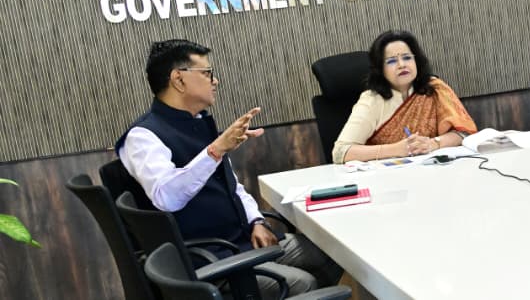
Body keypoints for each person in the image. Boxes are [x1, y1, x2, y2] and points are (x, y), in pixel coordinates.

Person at [116, 40, 338, 297]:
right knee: (303, 283)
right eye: (207, 73)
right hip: (210, 259)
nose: (215, 81)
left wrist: (256, 220)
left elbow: (233, 187)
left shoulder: (198, 122)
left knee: (333, 250)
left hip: (242, 241)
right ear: (179, 79)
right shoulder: (143, 136)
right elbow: (167, 197)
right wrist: (215, 150)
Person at [332, 30, 478, 163]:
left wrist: (433, 143)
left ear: (416, 61)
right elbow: (340, 152)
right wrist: (397, 149)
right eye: (391, 61)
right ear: (380, 69)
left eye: (407, 58)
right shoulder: (372, 100)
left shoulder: (435, 88)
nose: (401, 65)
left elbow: (464, 133)